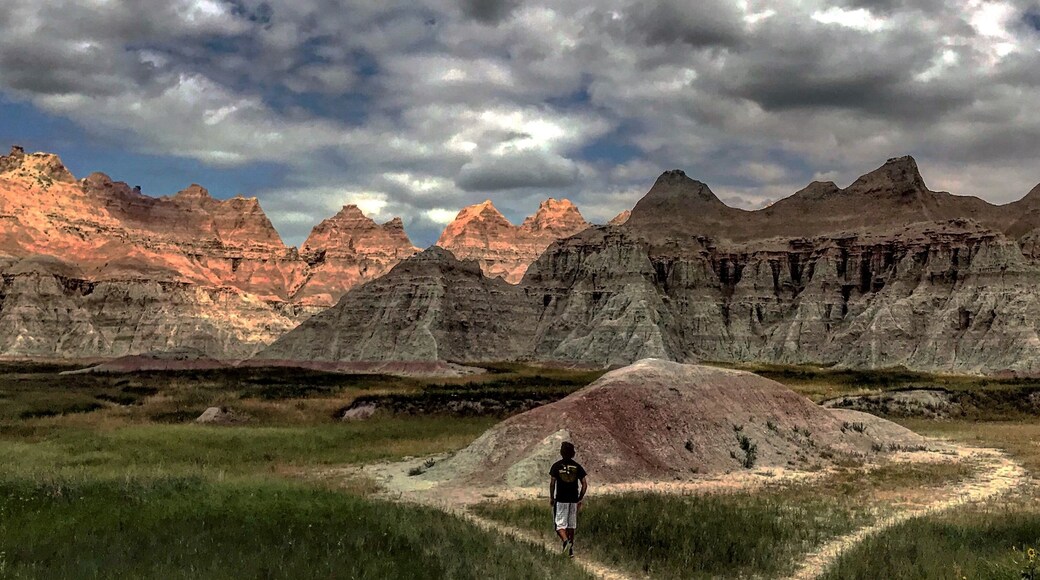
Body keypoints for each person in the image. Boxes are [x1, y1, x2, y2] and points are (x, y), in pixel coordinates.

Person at [549, 441, 588, 557]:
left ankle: (566, 542)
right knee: (571, 526)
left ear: (561, 452)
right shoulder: (577, 467)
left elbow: (552, 483)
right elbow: (584, 484)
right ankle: (570, 550)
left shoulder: (556, 466)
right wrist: (580, 498)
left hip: (561, 499)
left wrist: (552, 497)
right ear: (573, 453)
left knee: (559, 526)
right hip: (573, 499)